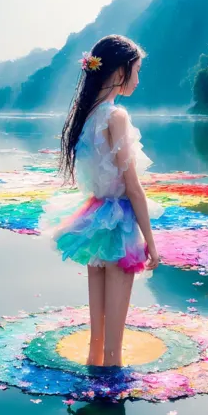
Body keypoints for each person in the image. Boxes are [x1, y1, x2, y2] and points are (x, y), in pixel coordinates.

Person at [43, 35, 163, 367]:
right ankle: (111, 406)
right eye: (136, 71)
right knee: (115, 346)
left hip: (93, 220)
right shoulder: (115, 116)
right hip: (120, 223)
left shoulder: (85, 115)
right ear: (120, 71)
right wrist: (151, 241)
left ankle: (91, 398)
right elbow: (133, 188)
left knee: (96, 341)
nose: (138, 80)